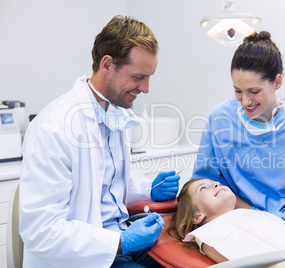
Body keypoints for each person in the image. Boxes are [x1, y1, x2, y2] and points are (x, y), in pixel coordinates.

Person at [19, 15, 180, 268]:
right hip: (84, 257)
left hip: (118, 244)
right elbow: (41, 232)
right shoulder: (54, 128)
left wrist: (149, 190)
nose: (146, 88)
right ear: (108, 65)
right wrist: (120, 242)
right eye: (139, 76)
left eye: (149, 77)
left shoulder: (113, 115)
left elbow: (103, 186)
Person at [193, 31, 285, 234]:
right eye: (238, 91)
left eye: (254, 92)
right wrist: (254, 214)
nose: (245, 102)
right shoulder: (220, 120)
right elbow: (204, 183)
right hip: (235, 217)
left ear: (277, 82)